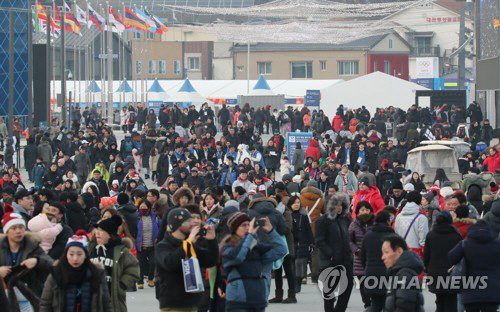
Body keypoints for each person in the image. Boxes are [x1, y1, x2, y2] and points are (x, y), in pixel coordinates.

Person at [220, 212, 288, 312]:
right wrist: (250, 236)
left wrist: (271, 231)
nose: (248, 228)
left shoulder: (256, 248)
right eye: (244, 225)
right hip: (239, 300)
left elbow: (281, 250)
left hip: (257, 298)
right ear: (235, 229)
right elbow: (239, 257)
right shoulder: (228, 247)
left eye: (249, 225)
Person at [155, 208, 218, 311]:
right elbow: (171, 263)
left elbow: (210, 261)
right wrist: (189, 243)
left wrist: (211, 241)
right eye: (188, 221)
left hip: (192, 303)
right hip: (173, 304)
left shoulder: (190, 244)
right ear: (177, 224)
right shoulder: (163, 246)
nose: (191, 224)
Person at [40, 233, 113, 312]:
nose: (75, 258)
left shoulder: (97, 274)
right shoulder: (56, 274)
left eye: (79, 254)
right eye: (71, 254)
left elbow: (106, 303)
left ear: (85, 255)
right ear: (66, 255)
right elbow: (45, 304)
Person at [0, 204, 53, 305]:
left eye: (21, 227)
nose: (18, 231)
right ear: (7, 231)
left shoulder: (32, 246)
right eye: (14, 228)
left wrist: (37, 261)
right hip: (5, 300)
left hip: (31, 297)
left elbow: (51, 264)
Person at [88, 215, 140, 312]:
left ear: (110, 234)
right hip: (91, 298)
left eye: (101, 230)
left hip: (112, 298)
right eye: (97, 230)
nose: (97, 233)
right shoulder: (90, 248)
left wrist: (122, 285)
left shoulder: (120, 250)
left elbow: (134, 267)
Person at [448, 220, 500, 312]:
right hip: (492, 292)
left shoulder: (465, 244)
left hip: (470, 290)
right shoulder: (497, 245)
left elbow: (452, 258)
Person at [315, 193, 353, 312]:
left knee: (347, 287)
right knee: (330, 292)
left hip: (346, 259)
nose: (339, 208)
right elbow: (319, 241)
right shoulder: (323, 221)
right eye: (337, 205)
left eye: (342, 205)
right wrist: (331, 254)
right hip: (330, 262)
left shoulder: (345, 219)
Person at [423, 210, 462, 312]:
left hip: (434, 272)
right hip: (452, 274)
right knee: (451, 302)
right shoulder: (456, 235)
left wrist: (426, 270)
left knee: (439, 301)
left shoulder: (430, 235)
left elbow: (426, 256)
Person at [361, 210, 394, 312]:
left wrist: (367, 267)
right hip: (388, 274)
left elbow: (363, 257)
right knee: (388, 305)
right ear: (388, 221)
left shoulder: (368, 235)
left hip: (371, 273)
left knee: (375, 304)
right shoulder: (392, 236)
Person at [382, 235, 425, 312]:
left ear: (399, 251)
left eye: (386, 252)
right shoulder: (398, 273)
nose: (383, 257)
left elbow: (405, 305)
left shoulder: (405, 275)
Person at [348, 201, 374, 310]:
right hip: (360, 258)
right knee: (363, 283)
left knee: (373, 282)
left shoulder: (375, 223)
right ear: (358, 212)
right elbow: (349, 240)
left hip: (374, 258)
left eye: (367, 210)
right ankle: (367, 303)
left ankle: (374, 302)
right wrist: (356, 250)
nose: (365, 212)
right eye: (362, 210)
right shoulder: (354, 225)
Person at [394, 191, 429, 259]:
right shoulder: (422, 218)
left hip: (401, 253)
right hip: (415, 255)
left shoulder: (399, 216)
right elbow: (423, 241)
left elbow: (396, 235)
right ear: (419, 201)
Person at [136, 199, 160, 289]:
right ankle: (140, 281)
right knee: (141, 264)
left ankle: (150, 278)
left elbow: (160, 227)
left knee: (153, 262)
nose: (142, 209)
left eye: (144, 207)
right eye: (141, 207)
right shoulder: (137, 217)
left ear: (149, 208)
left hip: (153, 244)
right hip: (141, 245)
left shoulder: (155, 217)